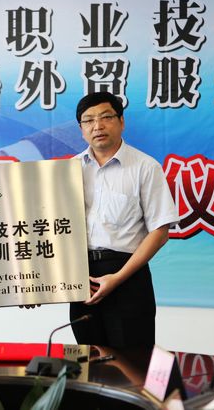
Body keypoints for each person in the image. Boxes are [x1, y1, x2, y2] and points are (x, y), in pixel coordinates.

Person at [70, 91, 178, 349]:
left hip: (127, 275)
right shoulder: (69, 169)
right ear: (81, 129)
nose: (97, 126)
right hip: (82, 278)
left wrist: (117, 278)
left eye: (106, 117)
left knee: (133, 363)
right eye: (89, 120)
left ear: (121, 122)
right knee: (86, 361)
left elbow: (160, 232)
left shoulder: (145, 167)